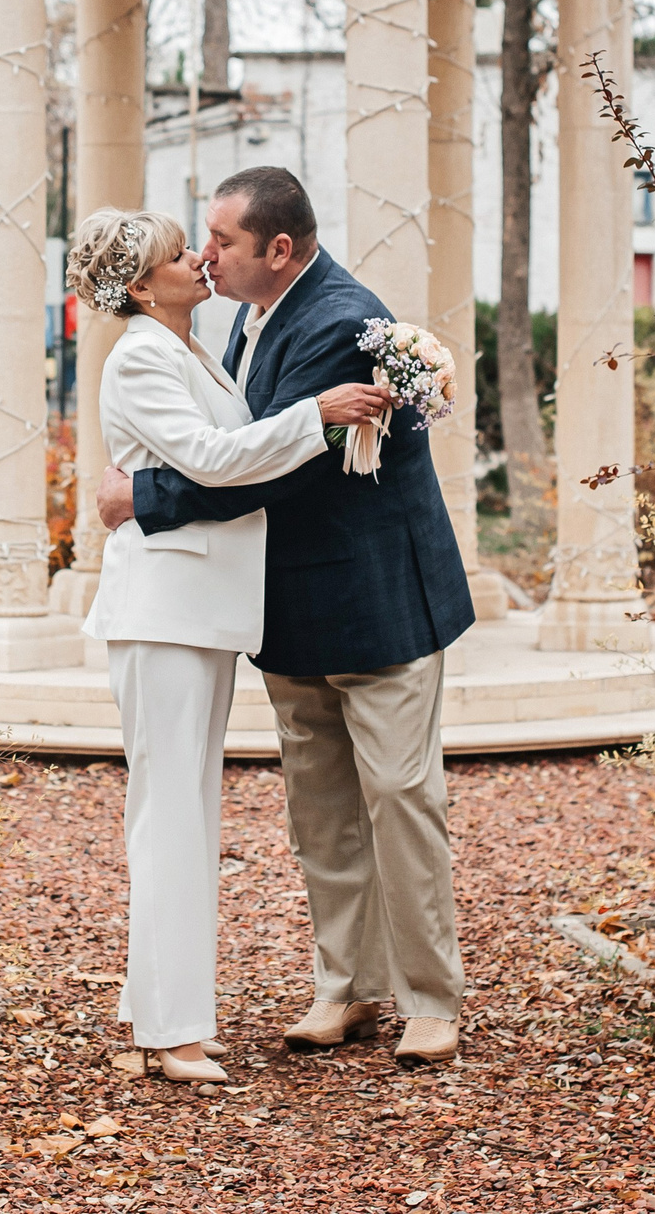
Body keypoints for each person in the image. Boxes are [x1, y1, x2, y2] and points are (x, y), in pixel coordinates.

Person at [97, 166, 476, 1066]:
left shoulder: (341, 321)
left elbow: (270, 462)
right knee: (320, 812)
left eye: (221, 241)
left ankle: (429, 999)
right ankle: (345, 987)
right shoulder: (238, 316)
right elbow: (237, 444)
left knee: (400, 800)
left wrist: (139, 496)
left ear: (278, 248)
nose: (205, 254)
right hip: (292, 607)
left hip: (377, 603)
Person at [67, 207, 391, 1086]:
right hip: (163, 612)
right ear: (140, 285)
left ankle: (159, 1010)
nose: (200, 261)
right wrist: (316, 414)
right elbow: (214, 459)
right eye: (180, 255)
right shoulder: (139, 352)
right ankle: (170, 1035)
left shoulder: (188, 347)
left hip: (197, 613)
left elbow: (210, 456)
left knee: (185, 816)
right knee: (170, 819)